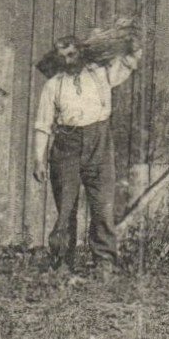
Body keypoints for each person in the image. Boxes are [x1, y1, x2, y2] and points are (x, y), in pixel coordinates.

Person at [32, 35, 139, 277]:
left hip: (99, 142)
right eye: (62, 57)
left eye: (72, 54)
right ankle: (62, 263)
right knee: (66, 208)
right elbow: (42, 125)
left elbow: (127, 65)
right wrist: (39, 159)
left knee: (102, 205)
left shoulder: (100, 74)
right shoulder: (54, 85)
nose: (68, 60)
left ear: (80, 52)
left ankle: (104, 263)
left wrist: (132, 47)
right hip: (65, 146)